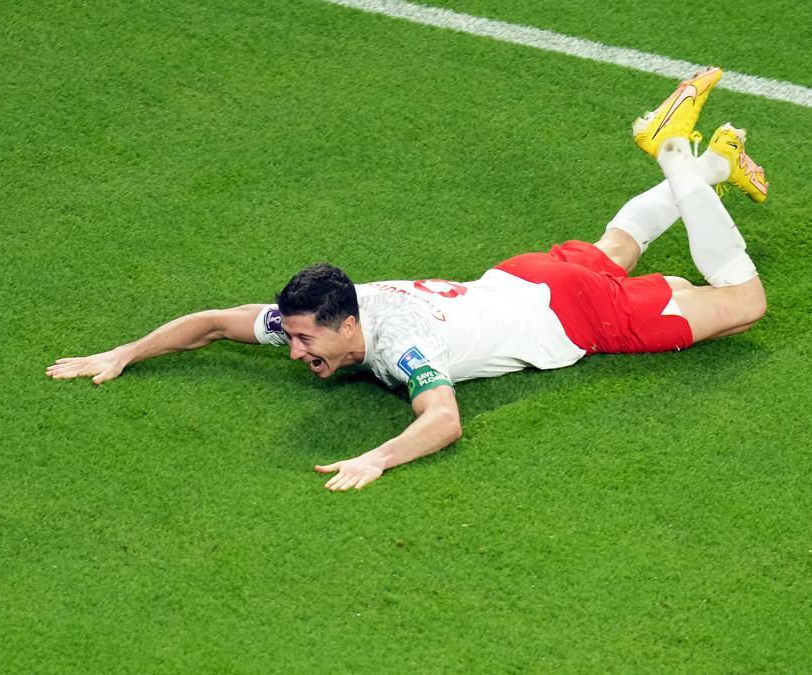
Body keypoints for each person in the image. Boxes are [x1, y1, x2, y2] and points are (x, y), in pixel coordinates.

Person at [46, 67, 770, 491]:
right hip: (522, 279)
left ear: (347, 324)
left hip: (570, 312)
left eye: (304, 341)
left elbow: (444, 420)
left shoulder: (401, 343)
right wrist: (123, 353)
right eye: (292, 338)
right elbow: (212, 321)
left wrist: (378, 457)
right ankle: (714, 166)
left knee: (744, 303)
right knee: (619, 240)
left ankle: (676, 149)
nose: (295, 352)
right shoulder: (329, 311)